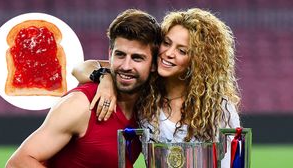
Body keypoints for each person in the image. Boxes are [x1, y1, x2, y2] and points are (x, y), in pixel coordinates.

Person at [73, 8, 241, 167]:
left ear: (198, 62)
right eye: (167, 43)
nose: (169, 53)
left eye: (182, 51)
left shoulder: (218, 107)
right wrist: (105, 78)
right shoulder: (145, 87)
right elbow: (80, 68)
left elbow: (229, 162)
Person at [5, 9, 161, 168]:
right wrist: (104, 75)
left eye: (137, 58)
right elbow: (18, 163)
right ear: (110, 55)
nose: (126, 66)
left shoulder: (149, 106)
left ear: (154, 64)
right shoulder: (81, 104)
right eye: (120, 55)